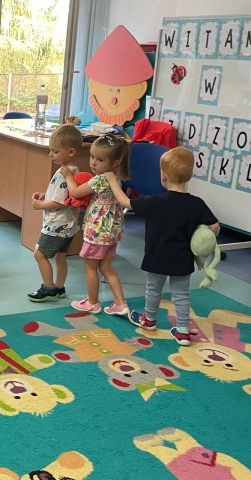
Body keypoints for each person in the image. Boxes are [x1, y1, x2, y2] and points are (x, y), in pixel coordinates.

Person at [105, 146, 219, 345]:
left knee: (153, 289)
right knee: (181, 294)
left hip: (156, 256)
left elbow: (125, 202)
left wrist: (112, 180)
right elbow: (214, 227)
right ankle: (182, 331)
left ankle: (149, 320)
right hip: (182, 259)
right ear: (189, 176)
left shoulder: (155, 202)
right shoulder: (197, 204)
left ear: (163, 175)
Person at [61, 133, 129, 316]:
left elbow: (76, 192)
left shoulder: (100, 179)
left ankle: (92, 303)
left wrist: (68, 176)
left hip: (97, 232)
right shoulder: (115, 177)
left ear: (115, 162)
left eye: (100, 159)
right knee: (106, 267)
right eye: (92, 157)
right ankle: (120, 303)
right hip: (112, 232)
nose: (93, 163)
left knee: (90, 267)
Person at [27, 124, 83, 303]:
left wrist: (40, 205)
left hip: (56, 225)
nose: (50, 155)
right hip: (68, 226)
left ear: (71, 152)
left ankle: (49, 287)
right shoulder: (71, 171)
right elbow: (63, 195)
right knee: (60, 256)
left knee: (39, 254)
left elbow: (58, 203)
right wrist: (45, 194)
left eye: (55, 151)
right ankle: (59, 287)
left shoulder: (65, 173)